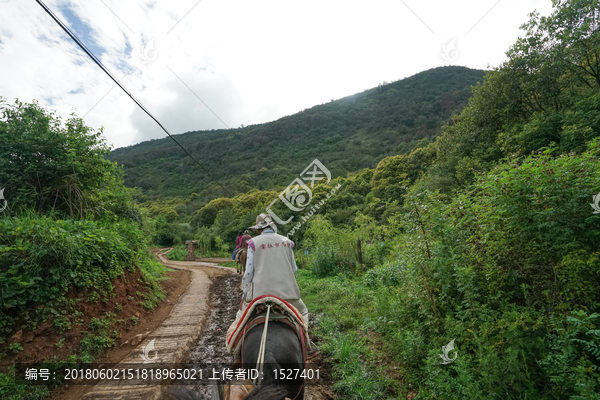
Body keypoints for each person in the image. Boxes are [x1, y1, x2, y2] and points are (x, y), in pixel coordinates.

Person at [241, 213, 318, 357]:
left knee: (241, 316)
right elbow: (294, 269)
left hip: (259, 296)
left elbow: (248, 274)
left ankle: (236, 352)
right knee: (303, 312)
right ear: (272, 226)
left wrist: (245, 294)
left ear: (259, 229)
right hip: (288, 295)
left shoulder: (253, 243)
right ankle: (307, 345)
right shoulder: (287, 242)